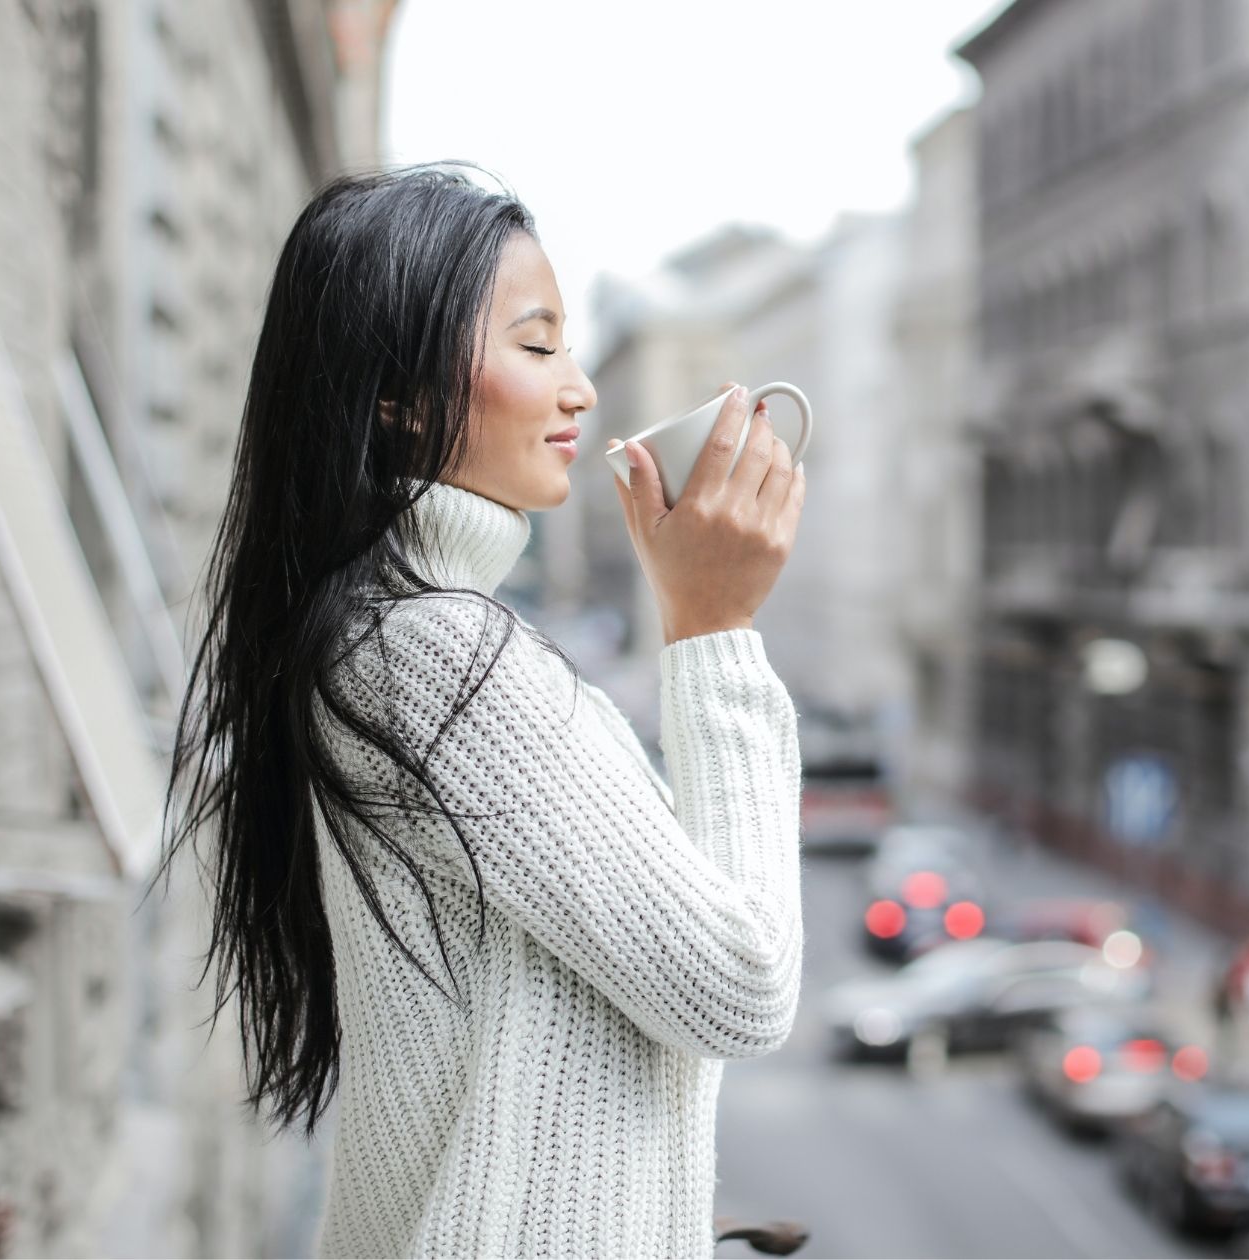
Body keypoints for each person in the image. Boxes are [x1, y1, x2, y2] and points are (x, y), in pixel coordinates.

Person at [152, 165, 810, 1259]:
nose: (582, 389)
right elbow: (740, 984)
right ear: (399, 399)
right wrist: (713, 628)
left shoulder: (379, 634)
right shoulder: (436, 653)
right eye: (539, 344)